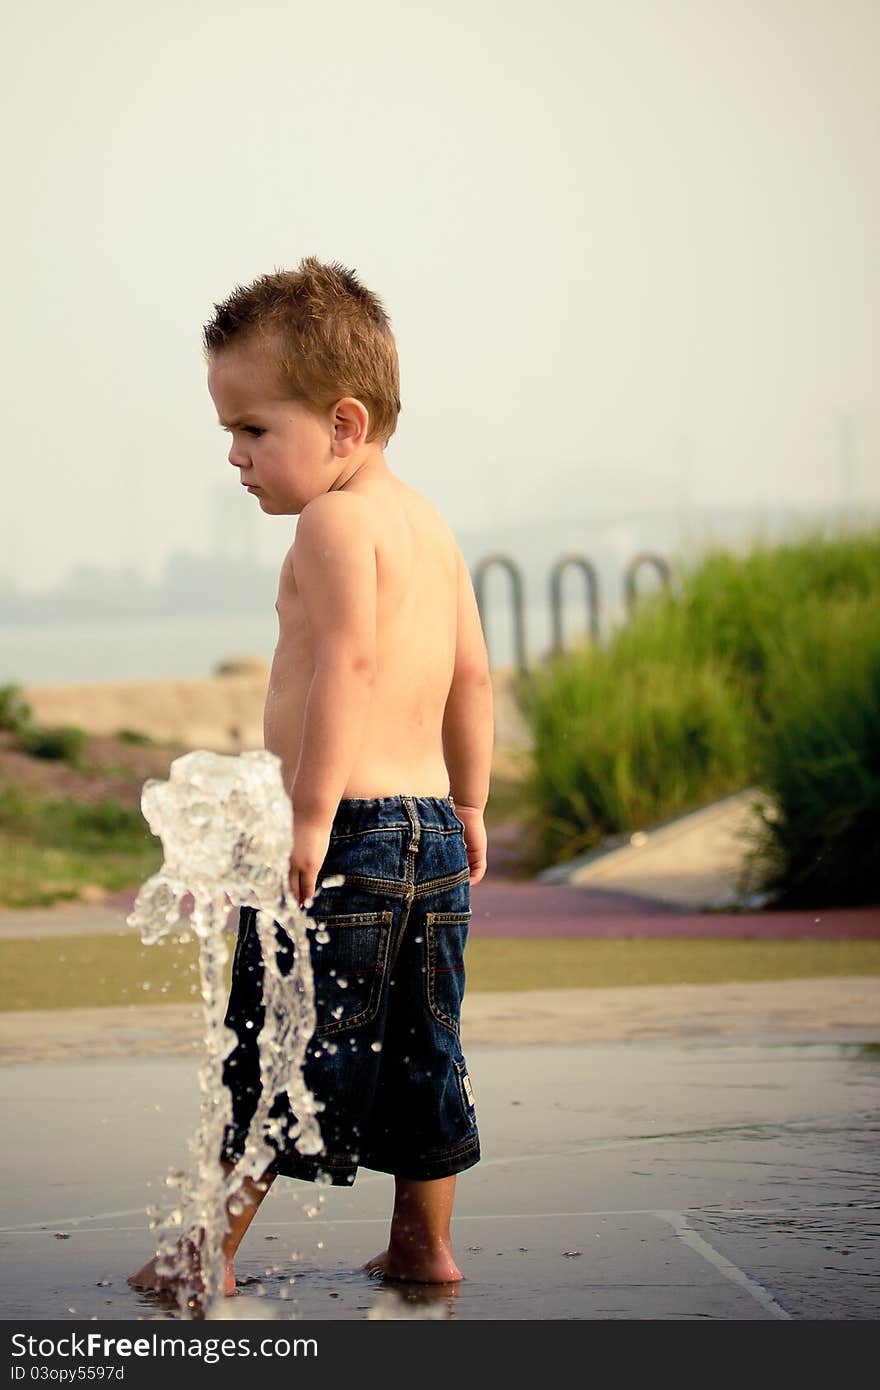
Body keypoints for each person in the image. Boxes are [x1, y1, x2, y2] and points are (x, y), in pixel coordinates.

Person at [128, 256, 493, 1298]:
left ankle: (207, 1251)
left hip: (349, 833)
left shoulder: (334, 522)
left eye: (252, 430)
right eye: (228, 433)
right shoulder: (430, 524)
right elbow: (471, 675)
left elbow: (349, 665)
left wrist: (308, 817)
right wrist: (468, 801)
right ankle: (423, 1244)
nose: (235, 457)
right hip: (425, 827)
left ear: (341, 425)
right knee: (427, 1046)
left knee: (278, 1039)